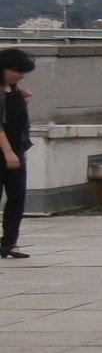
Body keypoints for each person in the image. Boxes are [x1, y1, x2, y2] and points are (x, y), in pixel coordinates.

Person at [0, 47, 35, 260]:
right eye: (17, 71)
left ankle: (9, 242)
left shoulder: (14, 92)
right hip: (6, 150)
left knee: (17, 197)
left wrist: (23, 100)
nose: (20, 76)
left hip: (17, 150)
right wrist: (8, 152)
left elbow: (16, 121)